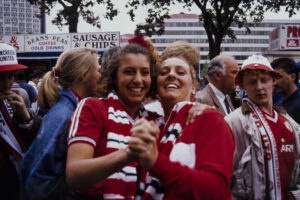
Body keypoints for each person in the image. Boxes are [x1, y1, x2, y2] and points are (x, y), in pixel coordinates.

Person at [128, 41, 235, 199]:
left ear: (194, 87)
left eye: (181, 72)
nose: (172, 75)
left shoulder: (209, 119)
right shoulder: (146, 125)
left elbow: (216, 190)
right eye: (164, 72)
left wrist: (156, 163)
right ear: (156, 86)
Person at [65, 43, 164, 199]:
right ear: (114, 77)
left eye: (145, 73)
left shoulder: (157, 122)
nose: (138, 80)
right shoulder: (93, 107)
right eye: (129, 72)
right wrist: (128, 153)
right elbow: (74, 175)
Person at [20, 47, 101, 200]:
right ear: (84, 75)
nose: (100, 75)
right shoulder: (67, 115)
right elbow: (39, 181)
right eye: (97, 70)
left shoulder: (66, 110)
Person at [225, 55, 300, 199]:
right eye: (252, 82)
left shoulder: (289, 123)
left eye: (264, 80)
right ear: (243, 86)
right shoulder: (233, 122)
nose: (259, 87)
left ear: (273, 81)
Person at [0, 43, 41, 200]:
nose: (6, 83)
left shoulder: (19, 97)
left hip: (19, 182)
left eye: (10, 76)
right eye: (0, 77)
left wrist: (25, 115)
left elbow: (37, 139)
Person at [271, 57, 300, 124]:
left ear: (292, 77)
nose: (274, 82)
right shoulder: (279, 102)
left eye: (279, 77)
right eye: (273, 78)